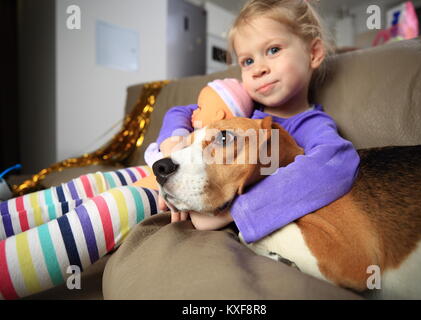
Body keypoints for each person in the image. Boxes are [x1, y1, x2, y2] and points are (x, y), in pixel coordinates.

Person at [0, 79, 252, 300]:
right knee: (90, 183)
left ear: (221, 116)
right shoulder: (206, 116)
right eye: (246, 61)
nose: (194, 112)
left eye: (200, 109)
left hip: (169, 181)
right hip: (154, 166)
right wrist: (174, 137)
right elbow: (179, 111)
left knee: (114, 205)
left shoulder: (249, 130)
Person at [156, 0, 360, 243]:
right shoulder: (240, 106)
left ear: (313, 53)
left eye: (273, 50)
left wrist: (234, 212)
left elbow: (337, 164)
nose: (258, 69)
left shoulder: (309, 123)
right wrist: (173, 142)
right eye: (247, 61)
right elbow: (182, 111)